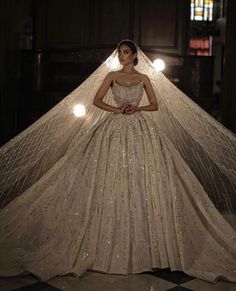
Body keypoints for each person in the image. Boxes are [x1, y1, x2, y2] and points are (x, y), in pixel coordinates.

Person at [0, 39, 236, 284]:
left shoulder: (144, 78)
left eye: (126, 52)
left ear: (134, 56)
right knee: (109, 177)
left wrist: (138, 108)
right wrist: (115, 110)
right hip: (113, 128)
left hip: (140, 127)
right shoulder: (111, 75)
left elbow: (155, 104)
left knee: (143, 180)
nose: (122, 56)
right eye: (120, 52)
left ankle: (148, 248)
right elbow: (97, 100)